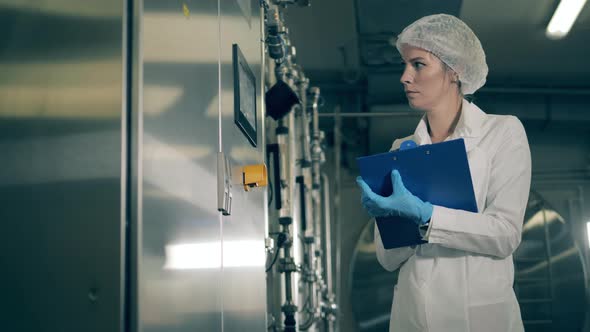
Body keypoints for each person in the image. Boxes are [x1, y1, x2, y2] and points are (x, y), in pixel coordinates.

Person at [356, 14, 532, 332]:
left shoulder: (502, 132)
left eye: (418, 64)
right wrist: (392, 221)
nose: (404, 77)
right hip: (413, 319)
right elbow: (387, 259)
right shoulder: (402, 147)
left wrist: (427, 217)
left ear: (455, 70)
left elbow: (505, 234)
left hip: (479, 320)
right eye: (405, 65)